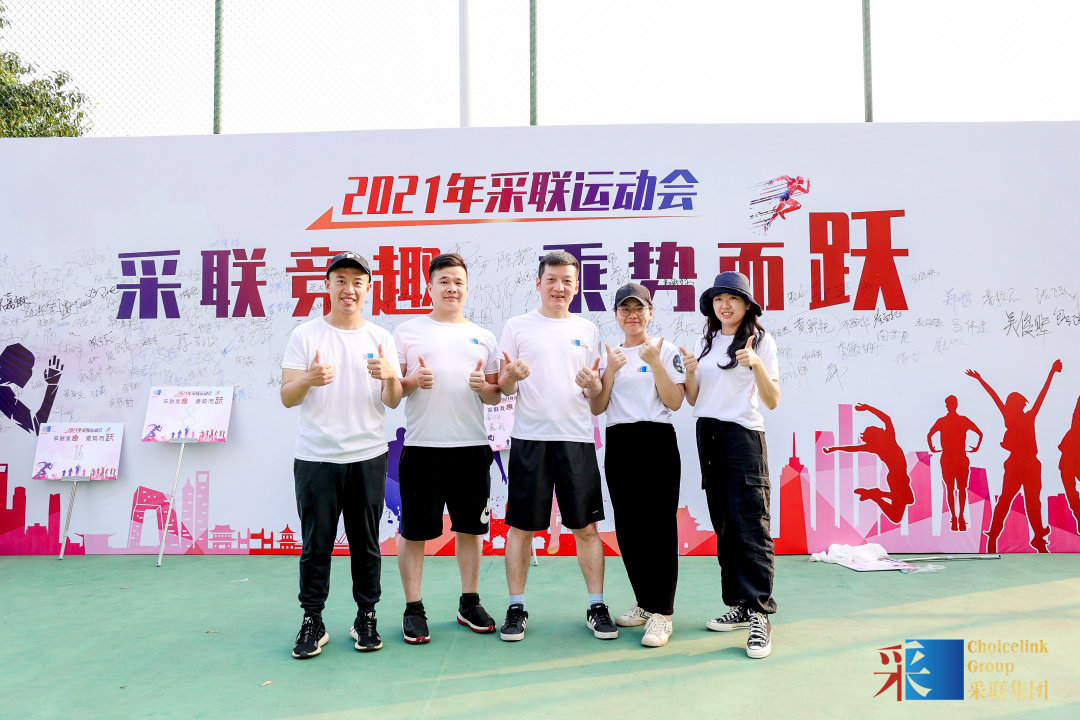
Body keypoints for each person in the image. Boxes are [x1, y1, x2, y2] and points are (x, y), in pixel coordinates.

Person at [280, 251, 403, 658]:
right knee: (316, 544)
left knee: (366, 544)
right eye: (341, 281)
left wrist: (391, 377)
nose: (349, 289)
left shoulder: (380, 337)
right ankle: (312, 619)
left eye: (357, 282)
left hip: (368, 456)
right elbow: (287, 397)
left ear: (368, 289)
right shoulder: (305, 336)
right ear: (327, 286)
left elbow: (392, 400)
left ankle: (366, 615)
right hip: (317, 458)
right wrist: (309, 379)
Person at [497, 250, 615, 642]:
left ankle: (596, 605)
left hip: (576, 440)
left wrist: (593, 385)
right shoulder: (517, 326)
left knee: (586, 527)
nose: (559, 287)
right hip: (530, 440)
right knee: (521, 528)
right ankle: (516, 607)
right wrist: (511, 377)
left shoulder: (588, 329)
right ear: (538, 283)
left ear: (576, 286)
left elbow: (596, 396)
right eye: (552, 279)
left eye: (567, 281)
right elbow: (504, 388)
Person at [391, 253, 502, 644]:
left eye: (458, 281)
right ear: (430, 287)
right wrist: (412, 381)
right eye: (443, 281)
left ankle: (469, 602)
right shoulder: (407, 332)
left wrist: (484, 388)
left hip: (471, 447)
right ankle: (413, 608)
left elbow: (495, 394)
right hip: (423, 447)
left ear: (467, 288)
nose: (451, 288)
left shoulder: (484, 337)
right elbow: (392, 393)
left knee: (470, 529)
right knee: (414, 532)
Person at [683, 271, 780, 659]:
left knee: (750, 526)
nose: (725, 305)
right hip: (708, 435)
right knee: (724, 526)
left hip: (743, 437)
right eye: (718, 299)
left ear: (746, 305)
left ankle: (760, 613)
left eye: (733, 299)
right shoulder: (704, 341)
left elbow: (772, 400)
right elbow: (694, 399)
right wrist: (690, 372)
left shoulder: (761, 341)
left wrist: (755, 363)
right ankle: (739, 604)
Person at [589, 282, 685, 648]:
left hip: (656, 439)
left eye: (639, 308)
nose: (632, 315)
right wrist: (609, 371)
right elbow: (598, 407)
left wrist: (655, 363)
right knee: (629, 527)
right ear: (616, 315)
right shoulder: (610, 355)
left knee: (659, 527)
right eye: (625, 309)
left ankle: (663, 614)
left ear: (650, 312)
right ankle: (646, 603)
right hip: (620, 441)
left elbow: (674, 401)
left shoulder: (665, 349)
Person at [967, 361, 1062, 553]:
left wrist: (980, 379)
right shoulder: (1027, 416)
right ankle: (1035, 535)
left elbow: (994, 396)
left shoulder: (1010, 417)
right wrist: (1052, 372)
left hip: (1019, 463)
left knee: (1011, 499)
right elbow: (1041, 395)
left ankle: (1002, 534)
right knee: (1031, 501)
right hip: (1028, 463)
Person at [823, 404, 914, 524]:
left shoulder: (883, 441)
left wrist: (835, 449)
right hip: (896, 477)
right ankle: (876, 494)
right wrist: (867, 408)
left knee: (899, 513)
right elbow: (853, 448)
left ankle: (875, 495)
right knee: (906, 502)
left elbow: (853, 448)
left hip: (897, 476)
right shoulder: (885, 440)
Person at [927, 396, 983, 531]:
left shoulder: (943, 421)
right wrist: (976, 448)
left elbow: (929, 435)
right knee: (959, 489)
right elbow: (979, 433)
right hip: (957, 457)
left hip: (950, 458)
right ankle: (959, 518)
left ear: (947, 405)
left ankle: (956, 518)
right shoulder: (962, 420)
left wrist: (933, 448)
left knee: (952, 489)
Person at [0, 343, 62, 435]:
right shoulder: (3, 394)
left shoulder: (4, 391)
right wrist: (52, 385)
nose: (30, 373)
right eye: (27, 368)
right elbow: (37, 426)